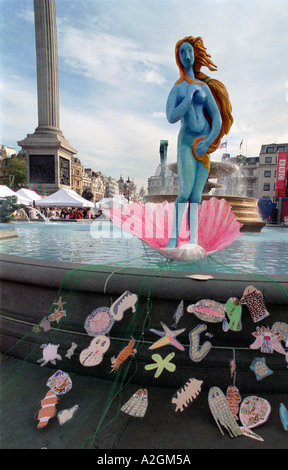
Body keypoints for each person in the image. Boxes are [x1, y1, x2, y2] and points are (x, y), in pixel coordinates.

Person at [165, 36, 233, 248]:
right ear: (179, 58)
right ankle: (174, 238)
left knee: (196, 195)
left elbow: (217, 118)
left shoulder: (204, 87)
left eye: (189, 52)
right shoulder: (177, 88)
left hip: (202, 145)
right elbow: (171, 117)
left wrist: (209, 140)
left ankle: (193, 240)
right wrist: (188, 97)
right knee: (184, 192)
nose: (186, 56)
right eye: (182, 53)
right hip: (186, 143)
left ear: (194, 55)